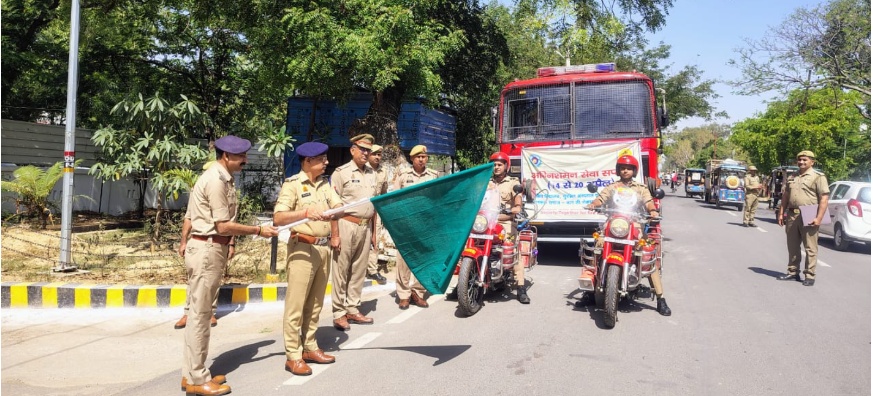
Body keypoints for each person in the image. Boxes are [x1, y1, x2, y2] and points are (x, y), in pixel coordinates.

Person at [181, 135, 279, 396]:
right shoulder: (215, 180)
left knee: (198, 315)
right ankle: (197, 379)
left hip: (211, 247)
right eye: (241, 157)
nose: (245, 160)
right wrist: (259, 230)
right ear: (226, 156)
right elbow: (223, 225)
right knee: (201, 316)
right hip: (206, 248)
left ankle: (190, 372)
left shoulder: (223, 177)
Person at [273, 142, 344, 376]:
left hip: (323, 250)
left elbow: (338, 207)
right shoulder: (293, 185)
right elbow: (279, 217)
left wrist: (340, 210)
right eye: (322, 159)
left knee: (315, 304)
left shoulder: (325, 184)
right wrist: (305, 212)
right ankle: (293, 355)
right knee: (296, 304)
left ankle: (310, 346)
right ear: (308, 162)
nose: (326, 162)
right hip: (302, 247)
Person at [584, 155, 671, 316]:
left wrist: (652, 210)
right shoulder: (612, 187)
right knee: (597, 247)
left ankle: (661, 298)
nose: (625, 171)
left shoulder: (641, 188)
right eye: (623, 168)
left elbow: (648, 201)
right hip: (614, 223)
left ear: (634, 171)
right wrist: (593, 204)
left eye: (629, 168)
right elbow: (601, 198)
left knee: (646, 255)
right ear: (618, 170)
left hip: (634, 224)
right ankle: (589, 291)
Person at [330, 134, 379, 332]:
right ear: (353, 150)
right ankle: (339, 312)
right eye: (362, 150)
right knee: (341, 270)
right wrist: (334, 234)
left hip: (365, 227)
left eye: (368, 150)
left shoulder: (372, 173)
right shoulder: (340, 173)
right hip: (345, 224)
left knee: (359, 270)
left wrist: (375, 232)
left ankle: (352, 307)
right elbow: (333, 206)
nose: (366, 154)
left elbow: (374, 205)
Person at [393, 145, 439, 309]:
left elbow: (437, 199)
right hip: (406, 225)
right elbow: (394, 199)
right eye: (418, 156)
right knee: (403, 260)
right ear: (412, 158)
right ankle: (404, 295)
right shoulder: (403, 176)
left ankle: (418, 292)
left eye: (424, 156)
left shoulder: (434, 176)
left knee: (424, 259)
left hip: (425, 225)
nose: (421, 159)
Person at [777, 150, 829, 287]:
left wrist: (818, 218)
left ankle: (809, 275)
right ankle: (793, 272)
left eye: (805, 160)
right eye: (799, 160)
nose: (801, 162)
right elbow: (785, 196)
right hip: (792, 214)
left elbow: (824, 198)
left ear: (812, 161)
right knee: (792, 246)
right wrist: (781, 213)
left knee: (810, 248)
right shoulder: (793, 176)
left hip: (810, 212)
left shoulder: (818, 177)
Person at [489, 152, 530, 304]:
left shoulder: (513, 182)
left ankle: (520, 287)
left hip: (505, 221)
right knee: (468, 241)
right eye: (493, 165)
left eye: (499, 164)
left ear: (506, 166)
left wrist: (516, 208)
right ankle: (465, 280)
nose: (496, 167)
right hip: (486, 221)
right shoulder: (486, 182)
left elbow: (518, 200)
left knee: (512, 249)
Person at [174, 213, 218, 330]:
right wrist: (183, 241)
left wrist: (231, 243)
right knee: (194, 278)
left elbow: (230, 219)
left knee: (213, 280)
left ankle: (210, 312)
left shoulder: (222, 194)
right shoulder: (195, 195)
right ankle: (188, 313)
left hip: (217, 242)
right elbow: (188, 217)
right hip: (198, 241)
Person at [366, 144, 389, 285]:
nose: (377, 157)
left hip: (376, 210)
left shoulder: (383, 171)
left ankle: (372, 270)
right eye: (374, 154)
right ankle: (359, 269)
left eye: (379, 154)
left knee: (375, 240)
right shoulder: (363, 170)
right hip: (361, 208)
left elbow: (384, 192)